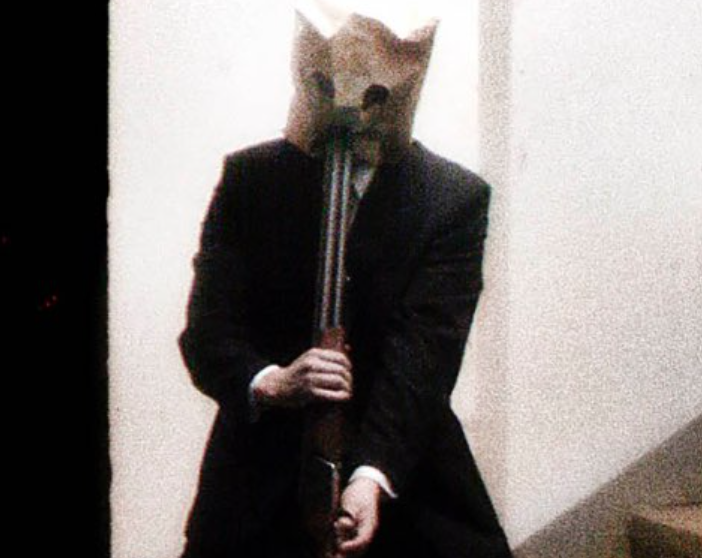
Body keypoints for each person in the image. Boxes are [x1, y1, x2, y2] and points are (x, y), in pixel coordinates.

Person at [178, 4, 512, 557]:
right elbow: (208, 331)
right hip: (258, 481)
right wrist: (271, 382)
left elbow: (425, 353)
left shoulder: (452, 200)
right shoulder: (250, 182)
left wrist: (371, 475)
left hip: (401, 471)